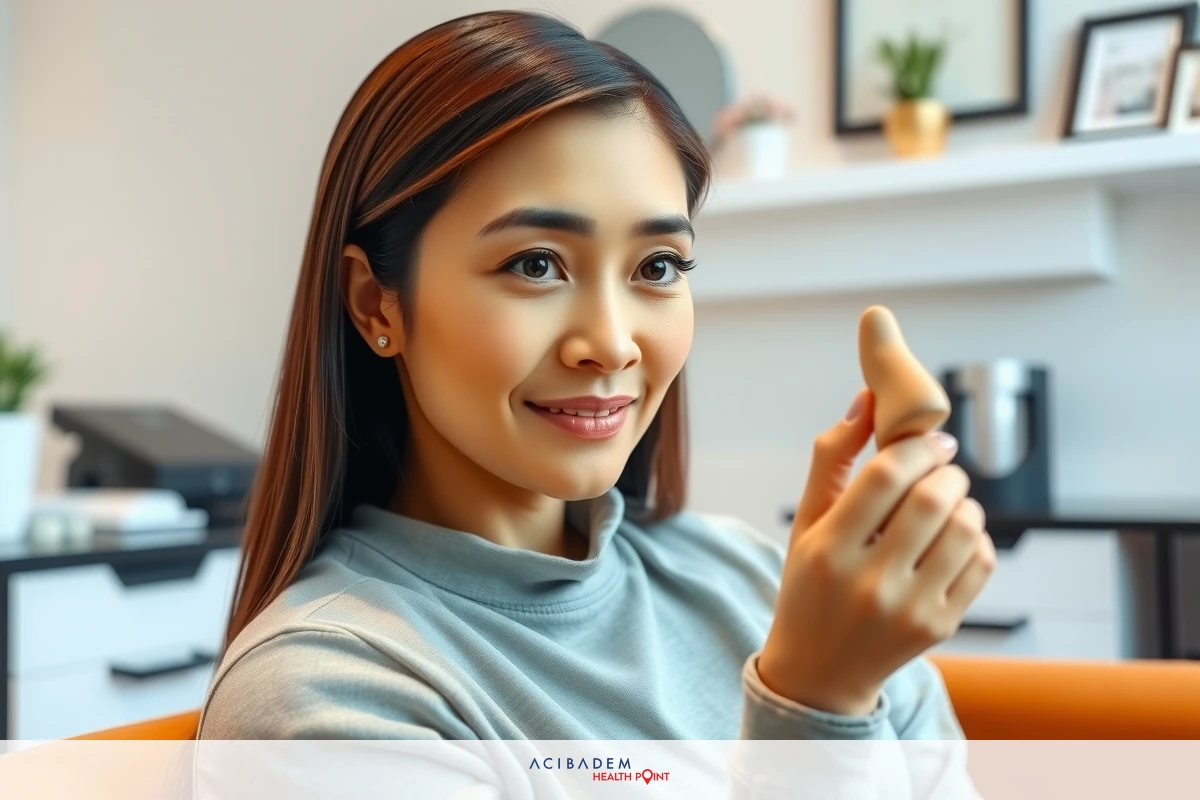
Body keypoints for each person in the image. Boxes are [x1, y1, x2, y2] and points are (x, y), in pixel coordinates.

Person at [197, 8, 993, 786]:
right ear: (377, 304)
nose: (612, 344)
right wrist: (815, 703)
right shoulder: (322, 698)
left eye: (657, 267)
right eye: (536, 264)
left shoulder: (759, 578)